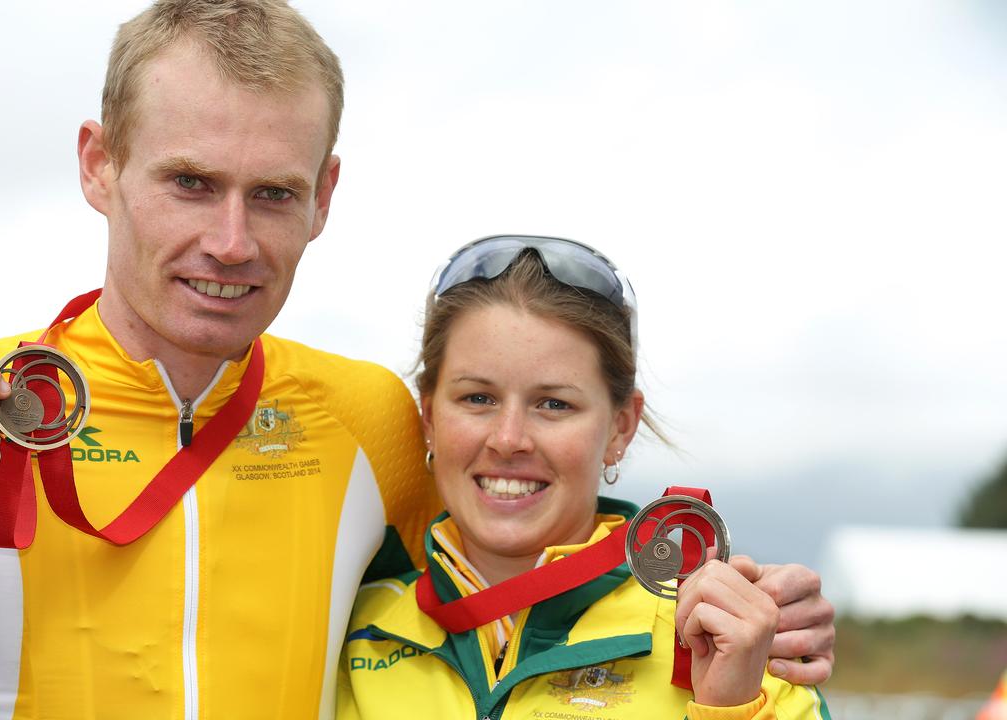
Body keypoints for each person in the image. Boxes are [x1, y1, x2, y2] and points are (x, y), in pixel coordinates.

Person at [0, 4, 834, 719]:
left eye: (273, 194)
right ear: (97, 165)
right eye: (189, 182)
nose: (231, 241)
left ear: (326, 199)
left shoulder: (364, 417)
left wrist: (731, 591)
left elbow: (527, 515)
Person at [337, 236, 832, 719]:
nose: (509, 439)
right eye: (477, 398)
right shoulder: (346, 630)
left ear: (621, 427)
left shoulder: (733, 640)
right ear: (429, 418)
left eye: (555, 404)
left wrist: (729, 710)